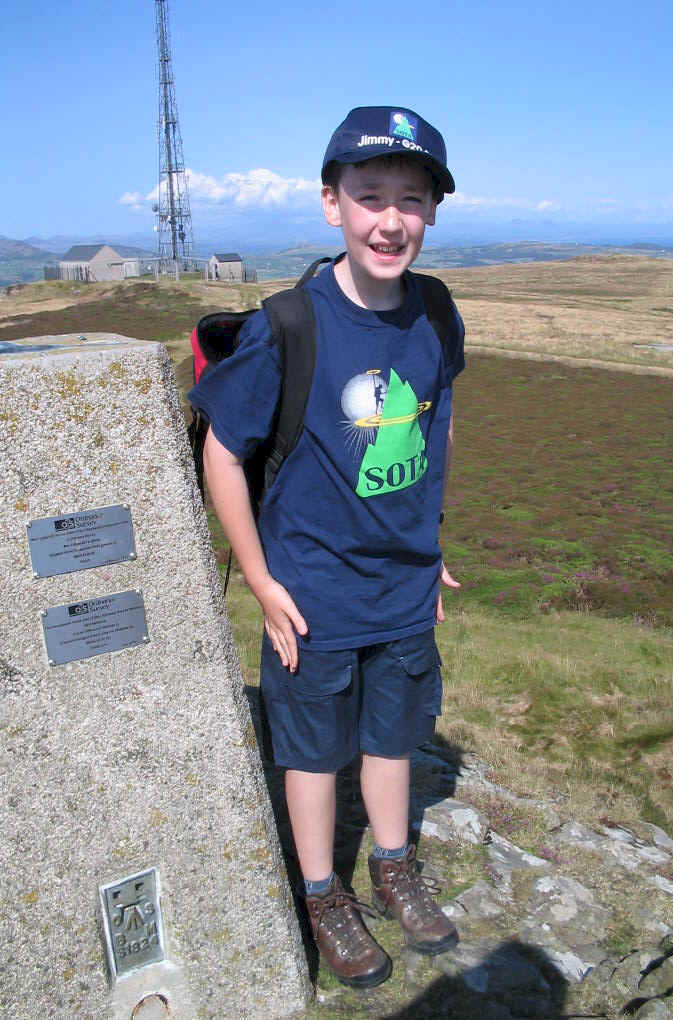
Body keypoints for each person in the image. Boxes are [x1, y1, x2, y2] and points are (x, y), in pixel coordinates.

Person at [189, 105, 465, 988]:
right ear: (329, 204)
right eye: (370, 195)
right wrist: (264, 584)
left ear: (431, 212)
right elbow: (223, 453)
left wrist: (430, 541)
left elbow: (436, 427)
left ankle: (391, 866)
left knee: (393, 733)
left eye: (411, 199)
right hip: (308, 592)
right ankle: (321, 893)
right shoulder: (287, 325)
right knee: (311, 749)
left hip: (400, 586)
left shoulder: (434, 311)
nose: (391, 219)